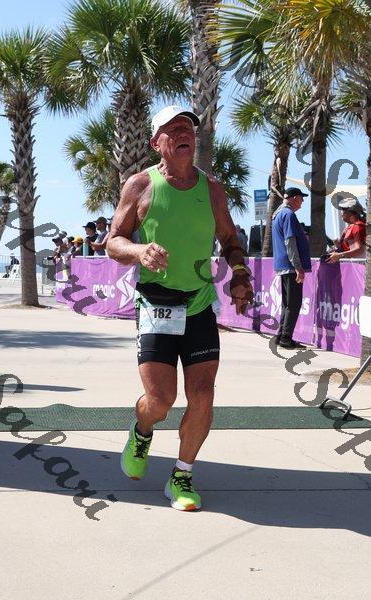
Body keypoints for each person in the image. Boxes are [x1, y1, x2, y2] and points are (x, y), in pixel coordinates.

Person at [107, 105, 253, 511]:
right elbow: (113, 241)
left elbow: (230, 240)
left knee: (203, 395)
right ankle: (141, 431)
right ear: (157, 143)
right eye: (173, 129)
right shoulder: (141, 185)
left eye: (188, 127)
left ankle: (182, 475)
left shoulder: (212, 189)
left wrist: (240, 273)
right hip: (157, 303)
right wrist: (139, 251)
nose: (184, 133)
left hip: (199, 304)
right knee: (160, 400)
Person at [272, 187, 311, 349]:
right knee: (293, 303)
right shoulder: (288, 215)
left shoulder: (278, 215)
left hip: (283, 265)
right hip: (290, 266)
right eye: (301, 199)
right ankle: (286, 338)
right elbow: (290, 242)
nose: (302, 202)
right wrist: (298, 267)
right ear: (294, 198)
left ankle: (281, 335)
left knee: (287, 304)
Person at [326, 198, 366, 263]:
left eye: (343, 209)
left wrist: (340, 255)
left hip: (359, 267)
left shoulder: (358, 226)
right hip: (354, 265)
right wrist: (338, 246)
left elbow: (360, 250)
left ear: (352, 212)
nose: (341, 212)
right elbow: (350, 248)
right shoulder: (349, 228)